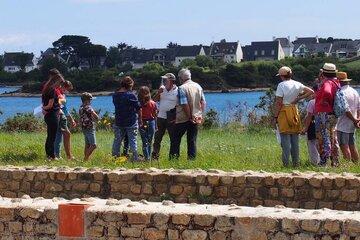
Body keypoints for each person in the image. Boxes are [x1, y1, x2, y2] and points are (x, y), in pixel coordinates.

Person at [273, 66, 314, 167]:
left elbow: (279, 102)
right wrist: (299, 98)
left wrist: (275, 116)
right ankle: (296, 163)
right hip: (294, 110)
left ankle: (286, 163)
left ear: (282, 76)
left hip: (284, 111)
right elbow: (311, 92)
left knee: (285, 140)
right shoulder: (297, 84)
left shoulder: (281, 85)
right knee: (295, 139)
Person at [169, 69, 206, 160]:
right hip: (196, 116)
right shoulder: (198, 86)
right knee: (192, 140)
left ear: (181, 78)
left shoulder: (182, 88)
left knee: (175, 139)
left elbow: (184, 104)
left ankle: (174, 159)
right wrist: (200, 114)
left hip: (183, 117)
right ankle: (191, 159)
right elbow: (203, 102)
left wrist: (189, 116)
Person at [315, 63, 341, 167]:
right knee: (332, 136)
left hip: (325, 113)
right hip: (333, 114)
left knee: (324, 137)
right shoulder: (335, 82)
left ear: (324, 73)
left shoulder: (327, 83)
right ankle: (335, 161)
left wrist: (323, 102)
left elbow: (327, 92)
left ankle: (323, 161)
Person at [112, 76, 142, 161]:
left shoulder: (115, 95)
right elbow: (138, 108)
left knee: (117, 140)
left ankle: (114, 157)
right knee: (133, 140)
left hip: (119, 121)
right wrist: (140, 119)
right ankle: (135, 158)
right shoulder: (131, 95)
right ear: (130, 85)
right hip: (131, 121)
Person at [152, 73, 178, 160]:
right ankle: (155, 156)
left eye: (166, 79)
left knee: (173, 138)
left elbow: (180, 105)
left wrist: (177, 117)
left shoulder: (177, 90)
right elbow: (154, 101)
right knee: (157, 138)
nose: (164, 81)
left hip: (171, 118)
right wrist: (158, 92)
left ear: (171, 81)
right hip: (160, 117)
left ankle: (173, 157)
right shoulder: (162, 89)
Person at [335, 72, 360, 162]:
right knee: (352, 145)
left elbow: (346, 109)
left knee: (343, 145)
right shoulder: (354, 92)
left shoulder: (341, 92)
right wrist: (357, 120)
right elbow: (358, 108)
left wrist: (354, 119)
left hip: (343, 124)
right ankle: (356, 163)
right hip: (352, 123)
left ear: (339, 81)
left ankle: (347, 165)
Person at [42, 69, 64, 160]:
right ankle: (52, 156)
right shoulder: (52, 91)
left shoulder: (46, 88)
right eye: (60, 83)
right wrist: (44, 108)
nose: (60, 85)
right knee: (53, 137)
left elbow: (45, 102)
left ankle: (48, 155)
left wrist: (44, 108)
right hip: (53, 114)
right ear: (56, 81)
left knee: (49, 135)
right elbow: (50, 105)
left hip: (48, 115)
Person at [54, 80, 76, 159]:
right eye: (68, 89)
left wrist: (72, 119)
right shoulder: (58, 93)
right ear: (64, 87)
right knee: (66, 134)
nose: (68, 92)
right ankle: (68, 156)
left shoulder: (62, 95)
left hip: (62, 116)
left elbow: (65, 109)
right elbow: (59, 106)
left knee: (58, 136)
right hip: (59, 116)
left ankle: (57, 155)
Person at [302, 85, 320, 165]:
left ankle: (315, 162)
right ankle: (323, 160)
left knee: (312, 143)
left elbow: (309, 116)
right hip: (323, 124)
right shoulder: (325, 101)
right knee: (320, 143)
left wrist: (305, 128)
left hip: (313, 125)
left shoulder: (312, 102)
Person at [138, 86, 158, 160]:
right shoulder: (153, 103)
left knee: (144, 141)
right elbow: (155, 115)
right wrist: (156, 125)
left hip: (142, 122)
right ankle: (148, 158)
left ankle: (146, 157)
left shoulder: (139, 104)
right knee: (150, 141)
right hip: (151, 122)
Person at [79, 92, 99, 161]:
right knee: (93, 145)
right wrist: (97, 119)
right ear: (87, 100)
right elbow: (95, 116)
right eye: (90, 100)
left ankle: (86, 159)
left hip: (84, 128)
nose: (91, 101)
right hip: (90, 127)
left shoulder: (81, 107)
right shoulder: (88, 107)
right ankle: (85, 158)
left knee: (87, 145)